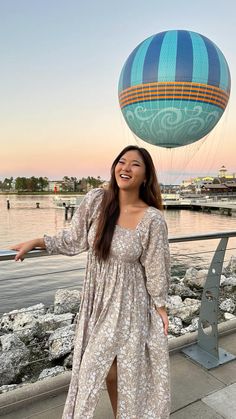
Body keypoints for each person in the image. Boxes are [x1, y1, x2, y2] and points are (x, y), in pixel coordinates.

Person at [12, 145, 171, 419]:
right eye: (122, 162)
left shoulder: (152, 219)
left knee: (123, 370)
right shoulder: (97, 201)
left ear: (145, 176)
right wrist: (38, 242)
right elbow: (72, 240)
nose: (126, 168)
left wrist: (161, 307)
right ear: (114, 167)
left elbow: (157, 267)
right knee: (98, 368)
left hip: (131, 304)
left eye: (135, 164)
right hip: (98, 300)